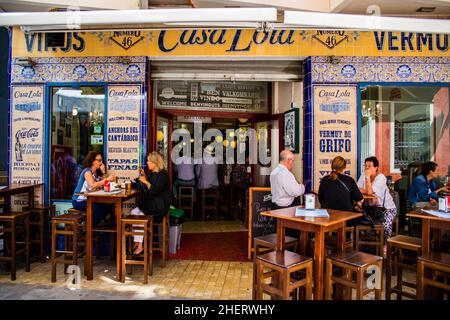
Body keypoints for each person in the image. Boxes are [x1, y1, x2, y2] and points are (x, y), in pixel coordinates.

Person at [130, 151, 170, 255]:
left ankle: (139, 245)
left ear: (155, 162)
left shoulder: (163, 175)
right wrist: (144, 177)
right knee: (134, 212)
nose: (147, 163)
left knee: (139, 216)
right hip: (151, 204)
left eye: (149, 161)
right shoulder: (153, 174)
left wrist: (146, 181)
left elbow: (155, 190)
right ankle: (138, 241)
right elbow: (149, 187)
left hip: (159, 207)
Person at [357, 156, 398, 239]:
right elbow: (357, 189)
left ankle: (385, 245)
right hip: (372, 208)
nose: (367, 168)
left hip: (387, 209)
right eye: (365, 166)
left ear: (376, 168)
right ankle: (372, 243)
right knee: (361, 220)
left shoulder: (381, 177)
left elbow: (369, 191)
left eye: (369, 166)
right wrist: (368, 190)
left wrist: (367, 178)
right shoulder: (363, 175)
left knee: (385, 226)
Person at [72, 151, 115, 225]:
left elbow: (104, 185)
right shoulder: (87, 172)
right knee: (98, 210)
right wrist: (108, 179)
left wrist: (104, 172)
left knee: (108, 207)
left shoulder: (97, 173)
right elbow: (93, 185)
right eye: (99, 160)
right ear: (92, 161)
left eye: (101, 160)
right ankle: (87, 228)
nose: (101, 162)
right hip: (79, 200)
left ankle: (93, 228)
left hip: (89, 200)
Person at [318, 156, 363, 226]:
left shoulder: (324, 180)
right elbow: (360, 199)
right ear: (344, 168)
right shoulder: (349, 180)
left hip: (327, 219)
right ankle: (347, 236)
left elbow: (321, 200)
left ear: (332, 166)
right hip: (347, 220)